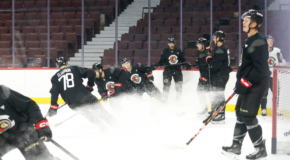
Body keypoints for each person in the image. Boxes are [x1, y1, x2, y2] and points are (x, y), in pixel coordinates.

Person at [222, 9, 269, 160]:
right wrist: (240, 81)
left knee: (248, 116)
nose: (243, 22)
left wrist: (246, 81)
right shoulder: (248, 39)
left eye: (247, 21)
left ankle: (260, 149)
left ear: (254, 24)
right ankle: (236, 146)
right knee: (240, 114)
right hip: (248, 83)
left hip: (257, 83)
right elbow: (246, 65)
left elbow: (261, 69)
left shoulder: (259, 41)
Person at [48, 57, 121, 132]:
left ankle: (103, 128)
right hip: (85, 96)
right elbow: (92, 73)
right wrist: (90, 85)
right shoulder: (74, 69)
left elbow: (54, 92)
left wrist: (53, 107)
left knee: (89, 116)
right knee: (102, 112)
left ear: (57, 66)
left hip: (72, 103)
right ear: (66, 63)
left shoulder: (54, 78)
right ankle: (120, 128)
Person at [0, 85, 59, 160]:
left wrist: (39, 122)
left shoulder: (2, 92)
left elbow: (29, 105)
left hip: (22, 130)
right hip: (3, 137)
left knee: (41, 158)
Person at [205, 31, 232, 124]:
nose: (213, 39)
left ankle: (220, 114)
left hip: (221, 75)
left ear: (218, 38)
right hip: (221, 74)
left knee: (219, 93)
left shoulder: (220, 49)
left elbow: (216, 65)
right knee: (216, 93)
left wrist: (209, 61)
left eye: (214, 37)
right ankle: (216, 111)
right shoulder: (221, 48)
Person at [260, 35, 286, 116]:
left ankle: (276, 110)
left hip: (274, 76)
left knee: (276, 93)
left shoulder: (277, 51)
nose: (270, 42)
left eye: (271, 40)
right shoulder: (262, 51)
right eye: (268, 40)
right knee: (264, 93)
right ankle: (263, 109)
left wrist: (282, 59)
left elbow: (283, 64)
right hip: (265, 76)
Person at [196, 37, 211, 115]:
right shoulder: (206, 53)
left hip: (204, 78)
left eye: (199, 44)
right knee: (206, 93)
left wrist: (204, 77)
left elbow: (206, 67)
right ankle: (208, 109)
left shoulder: (202, 54)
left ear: (203, 45)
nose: (197, 46)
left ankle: (206, 109)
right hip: (207, 77)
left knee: (200, 92)